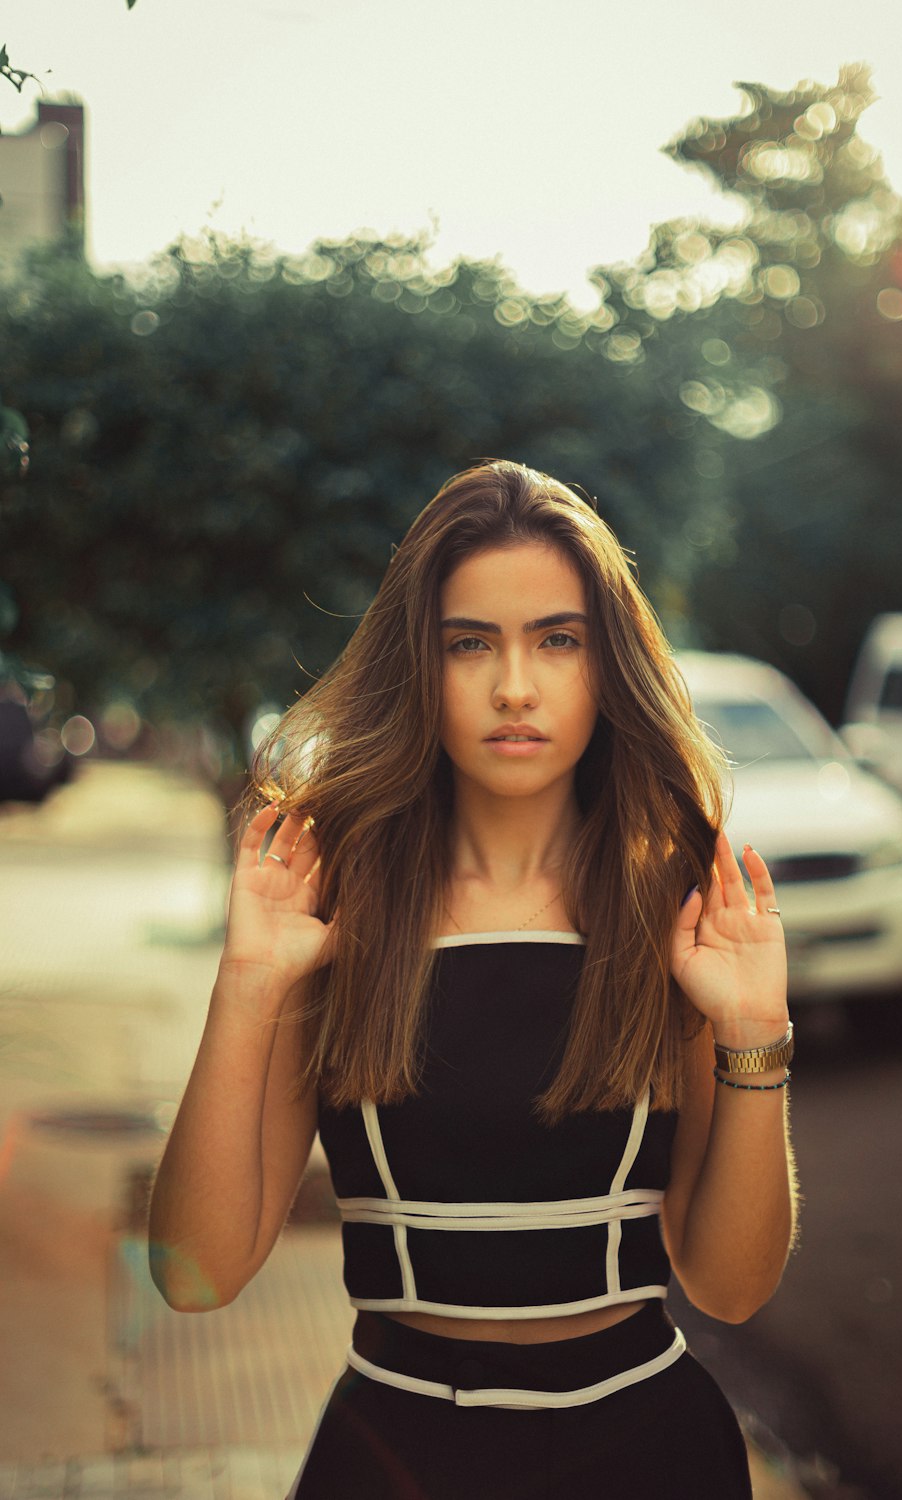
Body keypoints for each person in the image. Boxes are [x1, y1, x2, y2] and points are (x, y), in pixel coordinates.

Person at [148, 459, 797, 1499]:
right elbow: (196, 1271)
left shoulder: (666, 909)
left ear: (606, 662)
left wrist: (755, 1029)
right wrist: (247, 986)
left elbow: (729, 1285)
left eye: (557, 639)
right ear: (421, 663)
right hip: (394, 1457)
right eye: (469, 643)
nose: (513, 686)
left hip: (646, 1452)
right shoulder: (334, 906)